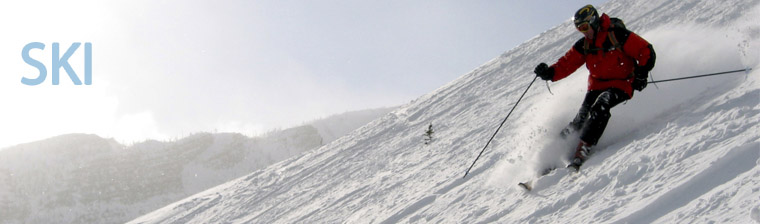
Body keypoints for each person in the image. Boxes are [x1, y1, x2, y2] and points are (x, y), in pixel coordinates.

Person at [533, 5, 656, 170]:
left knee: (601, 106)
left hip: (622, 83)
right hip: (597, 85)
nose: (583, 32)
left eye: (584, 27)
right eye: (579, 28)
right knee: (580, 119)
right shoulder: (585, 44)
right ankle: (551, 156)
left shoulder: (617, 35)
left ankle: (583, 148)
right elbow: (567, 63)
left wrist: (641, 74)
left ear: (594, 22)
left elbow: (645, 50)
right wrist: (549, 72)